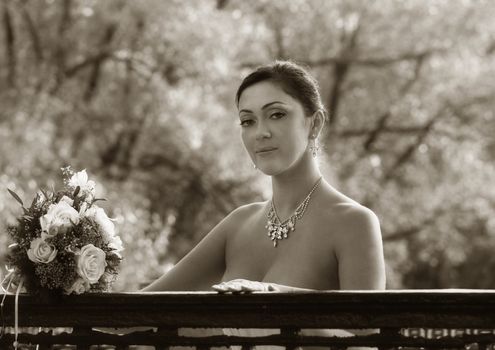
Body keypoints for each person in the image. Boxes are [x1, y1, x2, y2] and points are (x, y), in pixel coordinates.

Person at [141, 60, 386, 348]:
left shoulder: (353, 223)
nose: (261, 132)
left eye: (277, 114)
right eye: (248, 121)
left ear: (315, 123)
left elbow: (368, 341)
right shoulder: (238, 224)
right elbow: (138, 311)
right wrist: (80, 260)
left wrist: (278, 299)